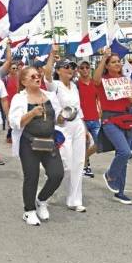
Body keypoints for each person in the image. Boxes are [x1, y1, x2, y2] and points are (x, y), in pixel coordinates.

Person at [93, 48, 132, 205]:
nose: (117, 64)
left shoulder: (126, 81)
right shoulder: (102, 80)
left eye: (118, 61)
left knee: (122, 156)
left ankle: (120, 192)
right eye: (114, 62)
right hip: (110, 120)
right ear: (107, 65)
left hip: (127, 119)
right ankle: (110, 175)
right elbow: (95, 79)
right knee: (125, 152)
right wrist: (104, 57)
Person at [9, 66, 64, 226]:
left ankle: (41, 199)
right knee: (31, 177)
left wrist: (63, 117)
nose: (37, 78)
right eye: (32, 77)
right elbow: (14, 123)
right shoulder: (19, 99)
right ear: (24, 81)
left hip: (49, 141)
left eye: (38, 76)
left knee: (57, 174)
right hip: (29, 143)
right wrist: (32, 113)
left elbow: (58, 118)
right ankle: (29, 211)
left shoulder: (50, 96)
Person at [43, 50, 87, 212]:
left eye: (72, 67)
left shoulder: (74, 86)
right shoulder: (55, 86)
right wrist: (51, 56)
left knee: (78, 163)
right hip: (62, 128)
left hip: (77, 126)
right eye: (66, 67)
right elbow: (47, 74)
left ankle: (74, 200)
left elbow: (79, 109)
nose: (70, 69)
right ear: (58, 70)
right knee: (66, 164)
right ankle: (47, 192)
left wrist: (85, 129)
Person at [76, 61, 100, 177]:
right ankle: (86, 167)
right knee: (84, 144)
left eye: (87, 67)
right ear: (78, 70)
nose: (85, 69)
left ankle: (82, 160)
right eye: (82, 68)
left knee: (99, 144)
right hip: (82, 120)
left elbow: (99, 100)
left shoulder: (95, 83)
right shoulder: (75, 85)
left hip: (95, 119)